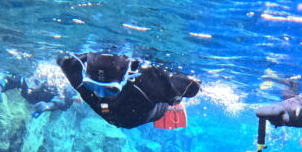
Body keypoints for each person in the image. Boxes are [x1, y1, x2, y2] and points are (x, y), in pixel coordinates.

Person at [56, 52, 200, 130]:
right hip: (127, 116)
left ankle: (174, 100)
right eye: (93, 85)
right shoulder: (154, 85)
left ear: (129, 74)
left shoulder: (149, 81)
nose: (101, 93)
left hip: (132, 112)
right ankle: (174, 101)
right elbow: (192, 88)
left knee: (170, 91)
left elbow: (61, 59)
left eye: (110, 89)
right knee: (172, 93)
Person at [0, 71, 75, 117]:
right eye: (30, 80)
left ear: (42, 83)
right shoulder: (24, 82)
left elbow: (61, 100)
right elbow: (8, 81)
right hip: (39, 101)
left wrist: (47, 106)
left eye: (36, 82)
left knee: (67, 101)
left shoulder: (51, 88)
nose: (31, 85)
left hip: (59, 104)